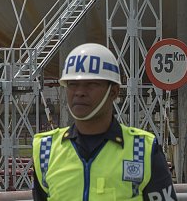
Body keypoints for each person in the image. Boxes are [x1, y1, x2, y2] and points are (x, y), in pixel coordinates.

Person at [32, 43, 177, 201]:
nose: (79, 92)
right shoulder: (45, 150)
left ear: (113, 92)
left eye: (91, 84)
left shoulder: (143, 149)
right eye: (72, 84)